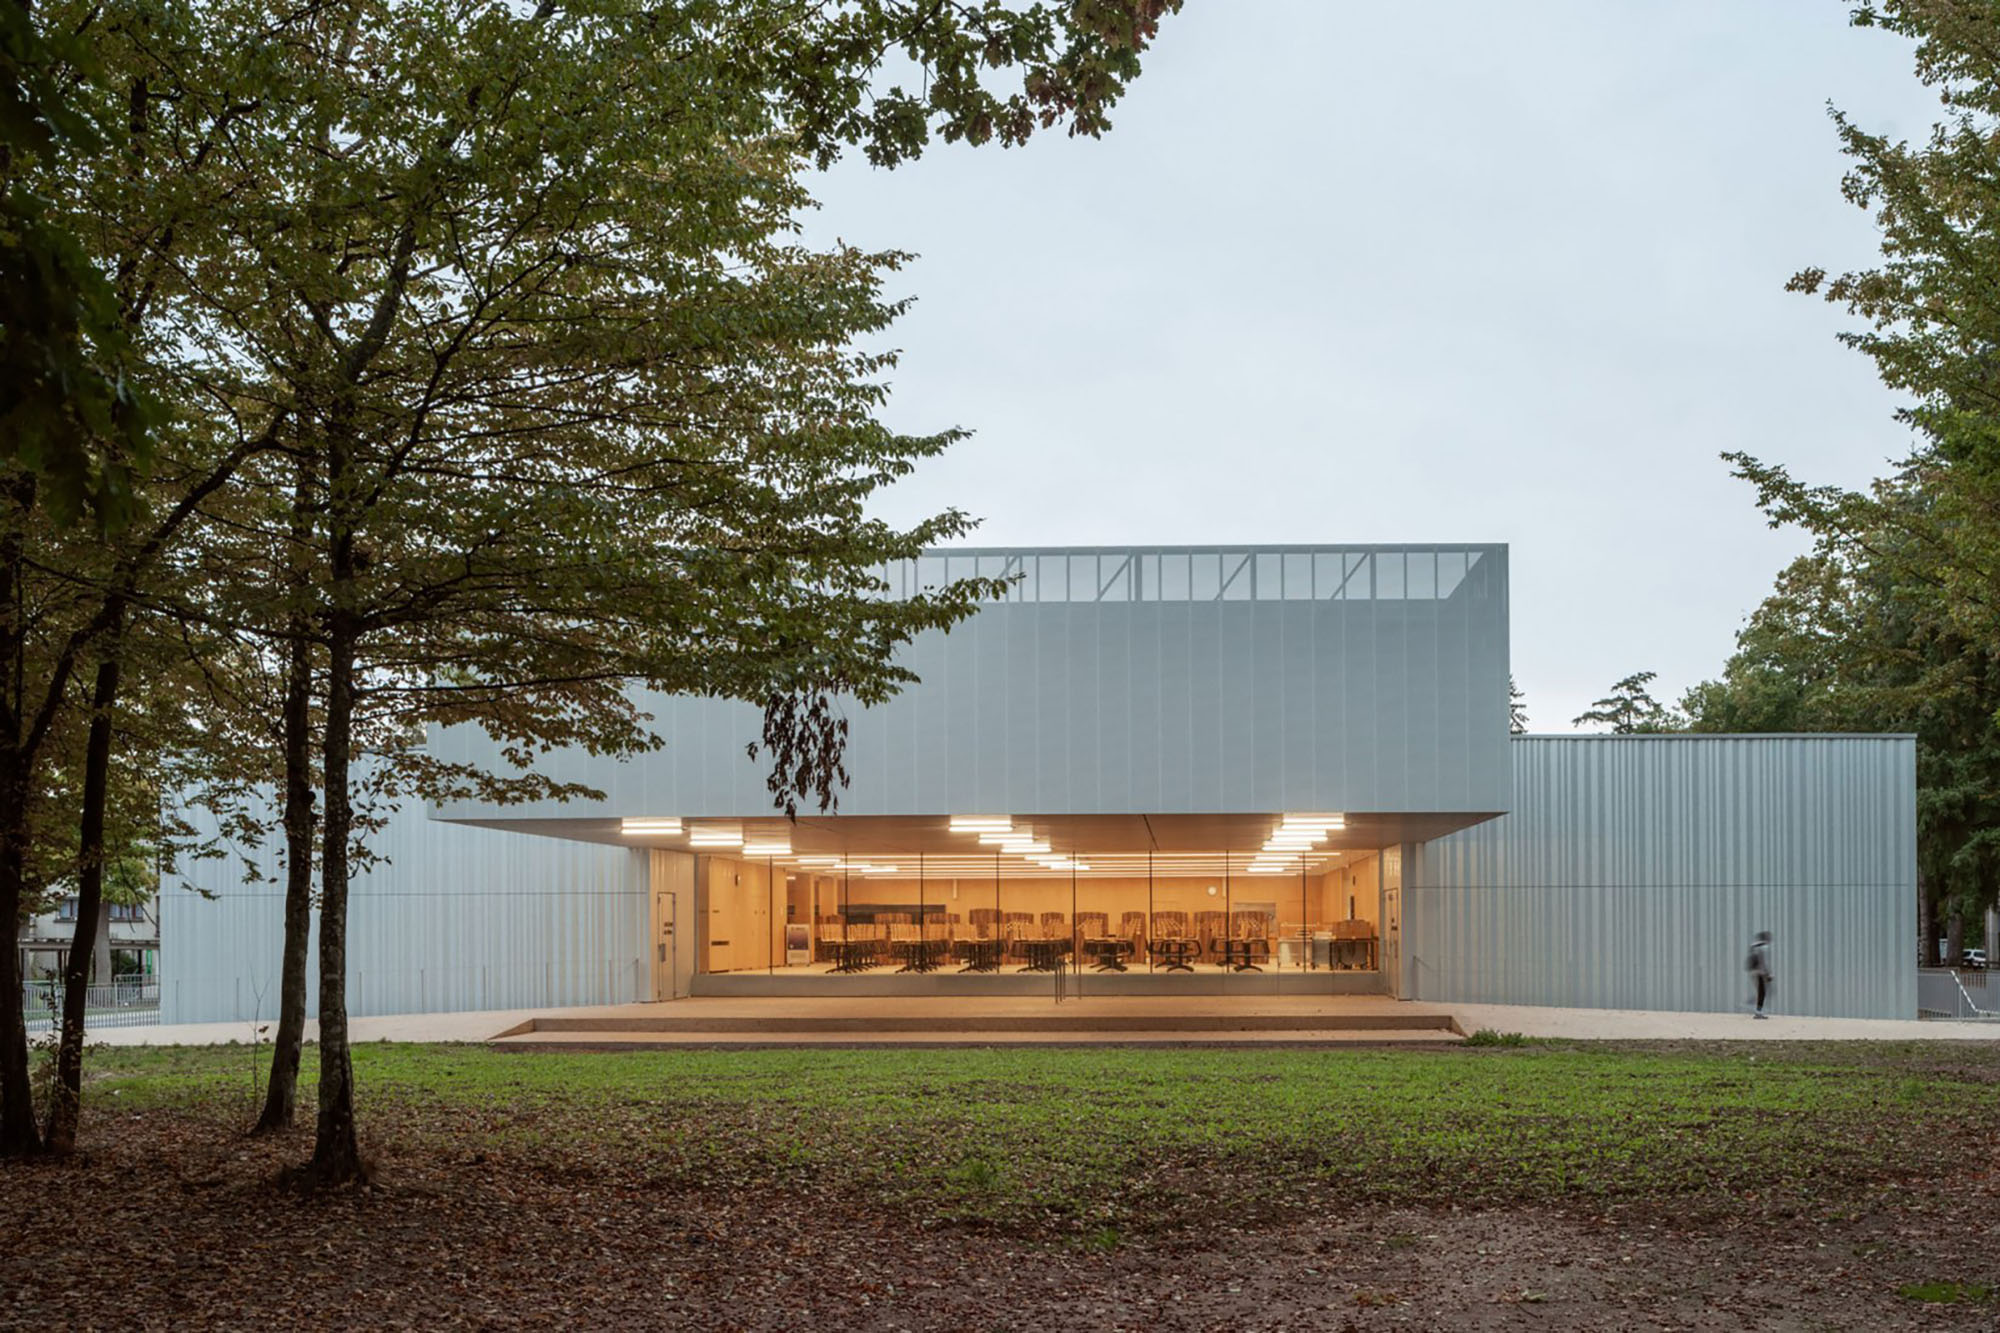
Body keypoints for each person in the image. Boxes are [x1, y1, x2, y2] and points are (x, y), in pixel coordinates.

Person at [1747, 930, 1773, 1018]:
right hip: (1759, 971)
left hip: (1752, 971)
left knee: (1761, 991)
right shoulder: (1764, 947)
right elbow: (1763, 961)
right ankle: (1757, 1010)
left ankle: (1757, 1010)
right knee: (1762, 992)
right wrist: (1767, 974)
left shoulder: (1754, 946)